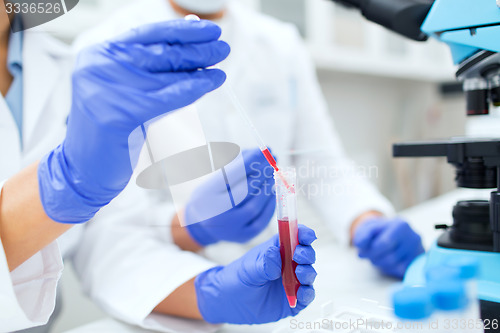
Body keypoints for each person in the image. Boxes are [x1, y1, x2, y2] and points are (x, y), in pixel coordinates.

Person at [66, 0, 424, 331]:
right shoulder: (103, 51)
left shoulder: (278, 43)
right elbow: (102, 232)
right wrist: (192, 231)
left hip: (280, 283)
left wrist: (365, 219)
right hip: (171, 300)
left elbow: (318, 159)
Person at [0, 8, 317, 332]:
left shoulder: (62, 66)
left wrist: (209, 291)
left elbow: (109, 236)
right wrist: (65, 183)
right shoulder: (98, 60)